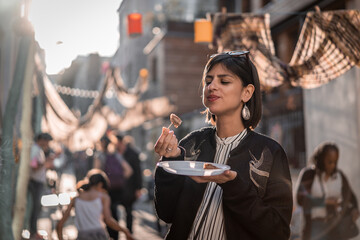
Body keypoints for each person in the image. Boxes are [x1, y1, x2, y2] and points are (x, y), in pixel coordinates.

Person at [154, 50, 293, 240]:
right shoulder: (192, 144)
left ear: (247, 92)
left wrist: (234, 186)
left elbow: (278, 232)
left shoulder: (269, 153)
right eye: (208, 80)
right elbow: (166, 213)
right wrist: (169, 160)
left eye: (224, 81)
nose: (212, 86)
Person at [296, 142, 359, 240]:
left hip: (336, 226)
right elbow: (301, 200)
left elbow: (351, 198)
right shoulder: (309, 175)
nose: (333, 165)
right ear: (321, 159)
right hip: (315, 226)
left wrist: (354, 210)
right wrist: (324, 202)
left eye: (335, 161)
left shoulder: (339, 176)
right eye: (329, 162)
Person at [56, 169, 134, 240]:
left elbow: (59, 225)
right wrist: (125, 231)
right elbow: (108, 220)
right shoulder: (103, 197)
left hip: (82, 236)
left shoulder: (76, 199)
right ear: (100, 185)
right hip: (99, 235)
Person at [94, 134, 133, 240]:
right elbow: (129, 171)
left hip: (106, 189)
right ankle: (125, 232)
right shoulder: (116, 155)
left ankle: (113, 236)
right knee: (119, 212)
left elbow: (96, 173)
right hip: (119, 188)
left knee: (108, 214)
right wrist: (119, 178)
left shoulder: (99, 156)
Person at [115, 133, 143, 233]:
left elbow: (138, 172)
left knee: (129, 211)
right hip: (116, 188)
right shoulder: (113, 153)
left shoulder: (133, 154)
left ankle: (129, 232)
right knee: (114, 212)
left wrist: (139, 188)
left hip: (129, 188)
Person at [28, 132, 54, 239]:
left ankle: (33, 231)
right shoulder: (35, 149)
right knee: (35, 208)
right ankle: (33, 232)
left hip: (37, 181)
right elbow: (34, 166)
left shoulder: (38, 150)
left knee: (36, 207)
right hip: (35, 182)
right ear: (42, 140)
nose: (47, 144)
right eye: (47, 141)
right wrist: (46, 162)